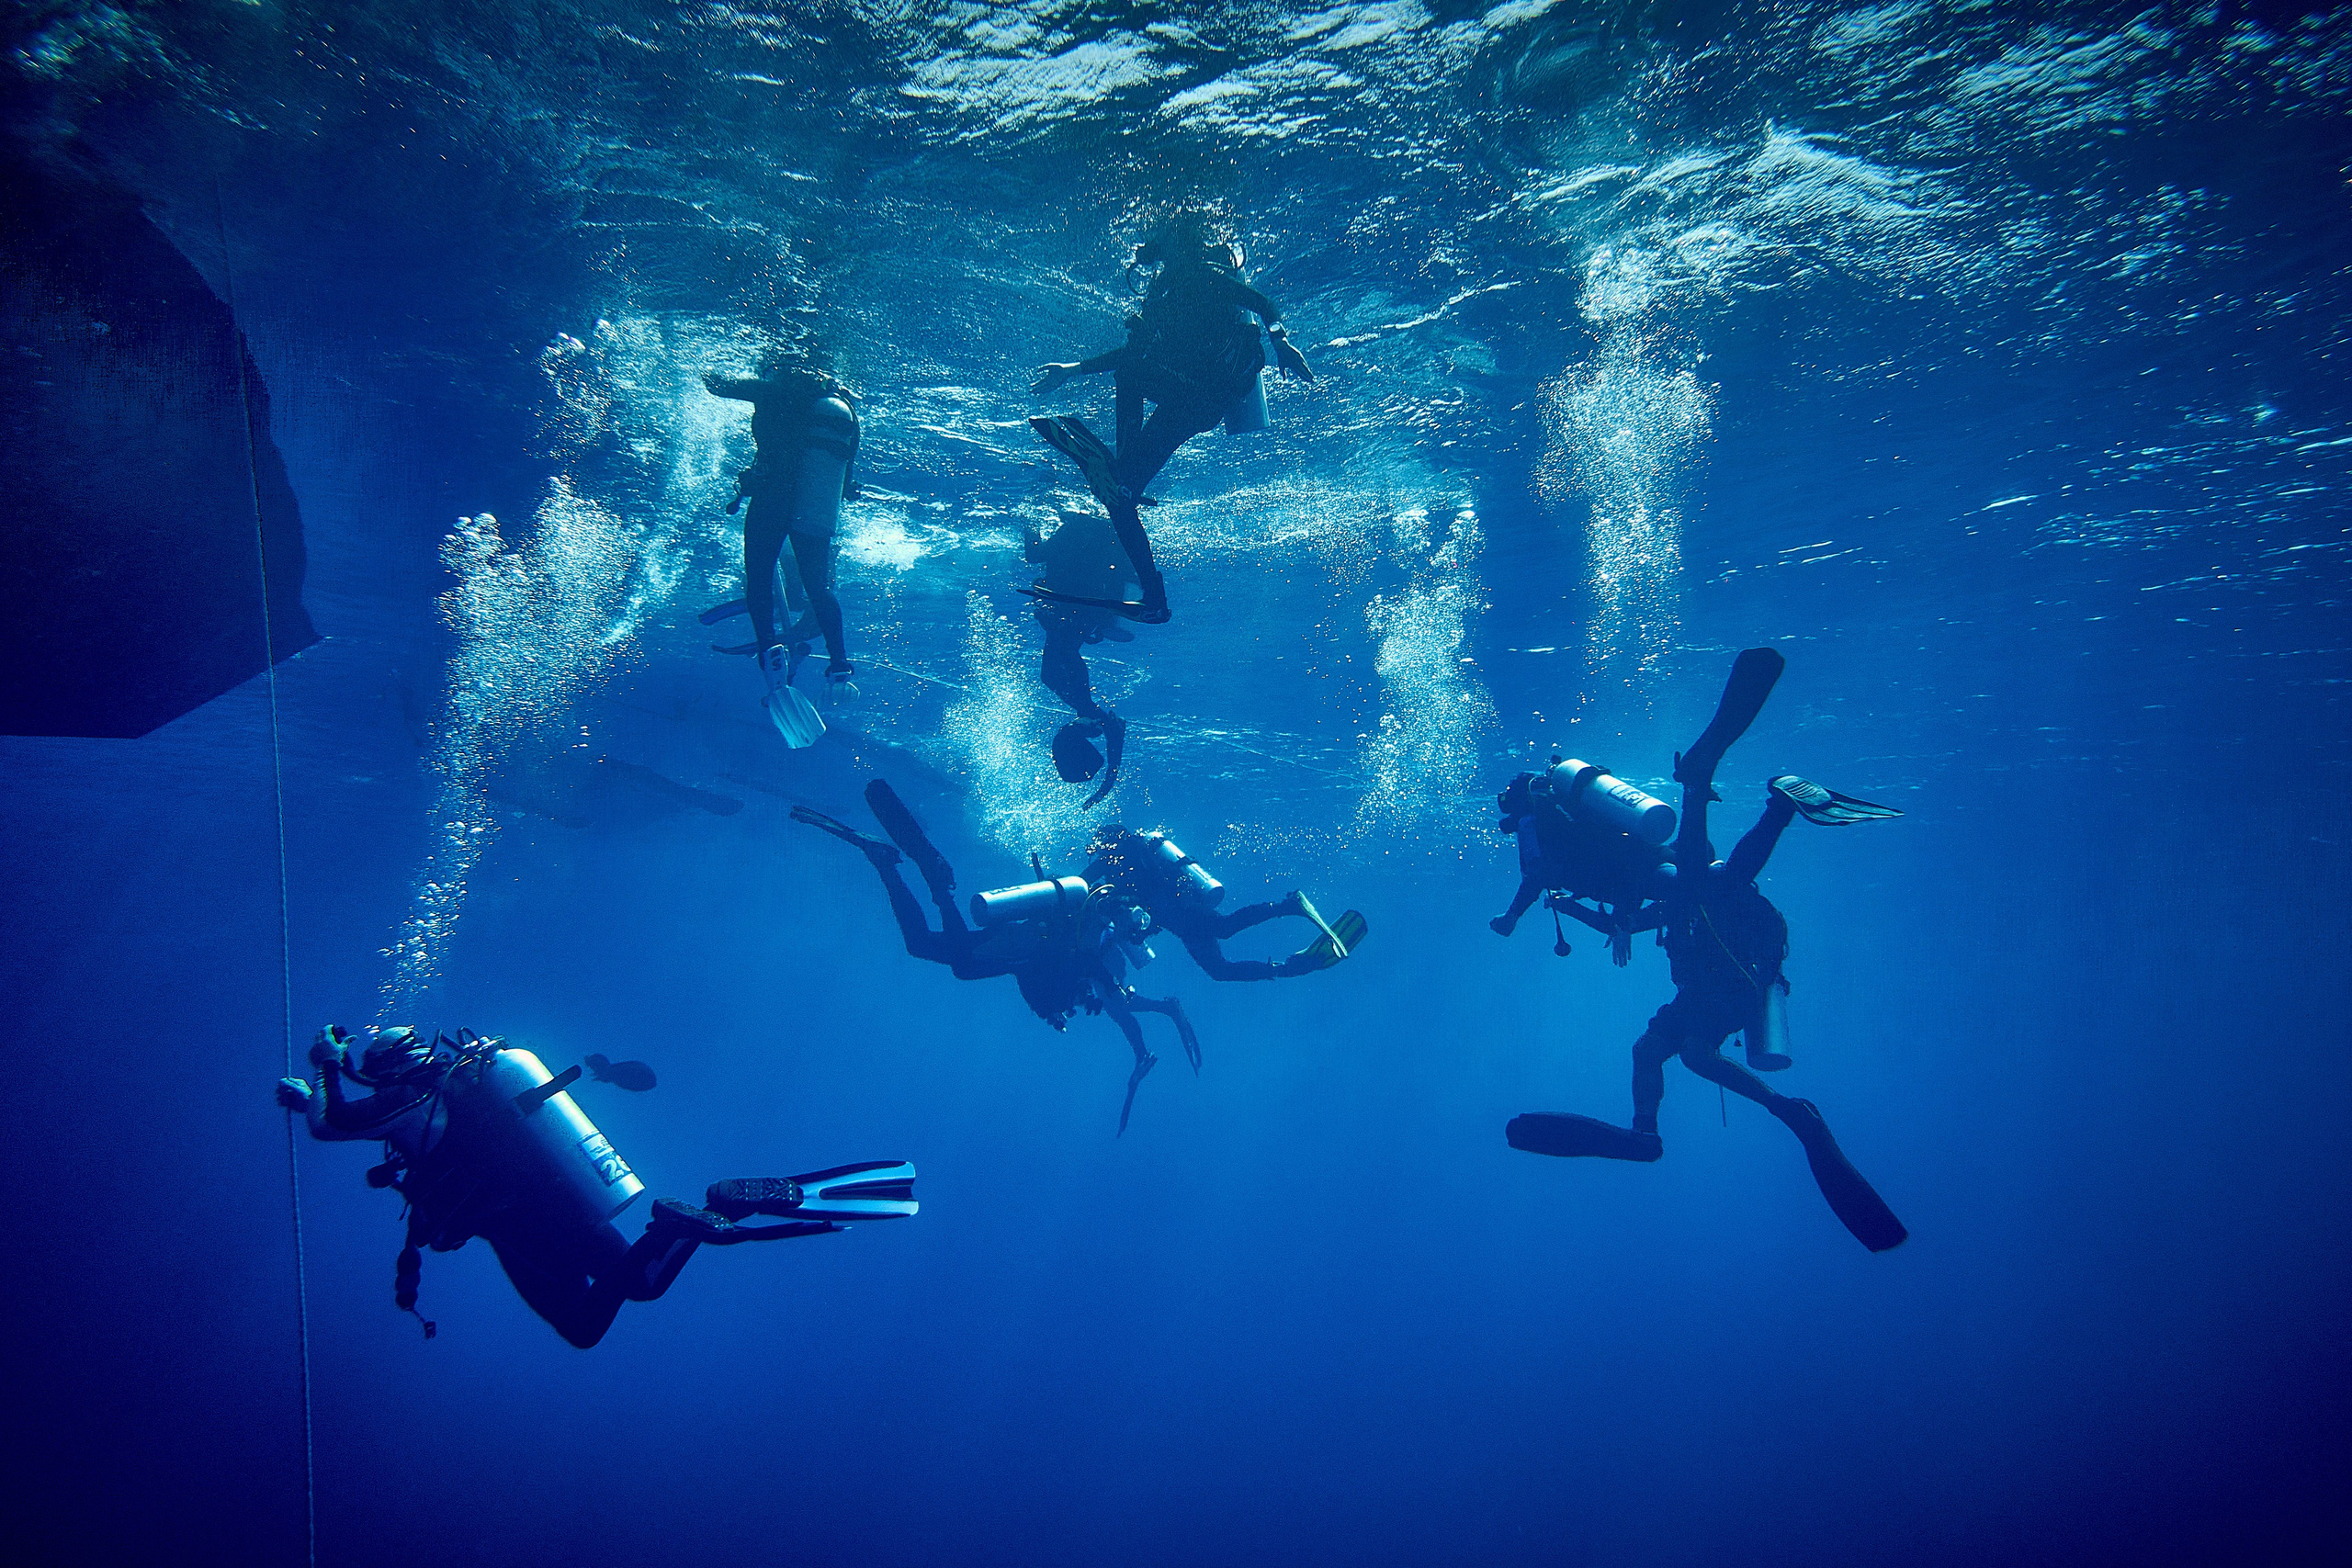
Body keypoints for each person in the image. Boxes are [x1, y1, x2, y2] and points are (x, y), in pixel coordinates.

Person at [1503, 649, 1912, 1253]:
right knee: (1656, 1043)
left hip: (1728, 977)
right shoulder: (1671, 890)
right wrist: (1591, 916)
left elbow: (1664, 898)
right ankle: (1647, 1136)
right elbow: (1643, 914)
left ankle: (1741, 796)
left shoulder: (1683, 889)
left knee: (1695, 1027)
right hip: (1705, 979)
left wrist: (1523, 916)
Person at [277, 1024, 915, 1346]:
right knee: (638, 1283)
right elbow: (340, 1113)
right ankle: (706, 1209)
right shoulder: (459, 1081)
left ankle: (689, 1219)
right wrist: (314, 1095)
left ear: (386, 1069)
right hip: (562, 1200)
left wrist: (326, 1064)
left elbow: (333, 1123)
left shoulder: (409, 1098)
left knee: (585, 1325)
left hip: (520, 1226)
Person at [795, 780, 1198, 1134]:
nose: (1082, 1006)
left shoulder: (1089, 967)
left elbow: (1087, 989)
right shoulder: (1094, 957)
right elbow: (1103, 984)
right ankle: (936, 880)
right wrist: (1120, 1009)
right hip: (1022, 944)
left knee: (922, 946)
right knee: (962, 962)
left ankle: (886, 863)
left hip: (1019, 951)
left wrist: (1072, 1012)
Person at [1028, 209, 1316, 624]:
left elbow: (1261, 302)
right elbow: (1133, 353)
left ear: (1176, 248)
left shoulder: (1202, 277)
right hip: (1184, 392)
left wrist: (1280, 341)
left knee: (1122, 469)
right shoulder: (1163, 292)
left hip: (1204, 401)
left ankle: (1123, 478)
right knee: (1119, 498)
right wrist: (1072, 370)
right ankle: (1153, 596)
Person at [704, 344, 862, 706]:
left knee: (759, 576)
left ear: (781, 367)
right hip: (816, 507)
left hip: (773, 497)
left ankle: (769, 648)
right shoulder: (842, 408)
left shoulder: (772, 389)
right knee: (818, 588)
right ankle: (839, 665)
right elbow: (847, 480)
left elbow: (716, 385)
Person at [1081, 824, 1364, 982]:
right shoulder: (1130, 858)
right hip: (1181, 921)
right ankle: (1285, 967)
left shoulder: (1128, 856)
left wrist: (1125, 902)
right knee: (1219, 969)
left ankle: (1287, 907)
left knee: (1225, 929)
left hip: (1185, 910)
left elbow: (1150, 890)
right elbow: (1147, 902)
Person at [1023, 506, 1134, 807]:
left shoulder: (1085, 708)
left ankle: (1032, 511)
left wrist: (1107, 784)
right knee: (1034, 555)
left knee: (1035, 556)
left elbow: (1114, 734)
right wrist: (1106, 784)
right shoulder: (1085, 708)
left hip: (1077, 584)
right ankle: (1030, 509)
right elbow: (1114, 732)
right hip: (1079, 575)